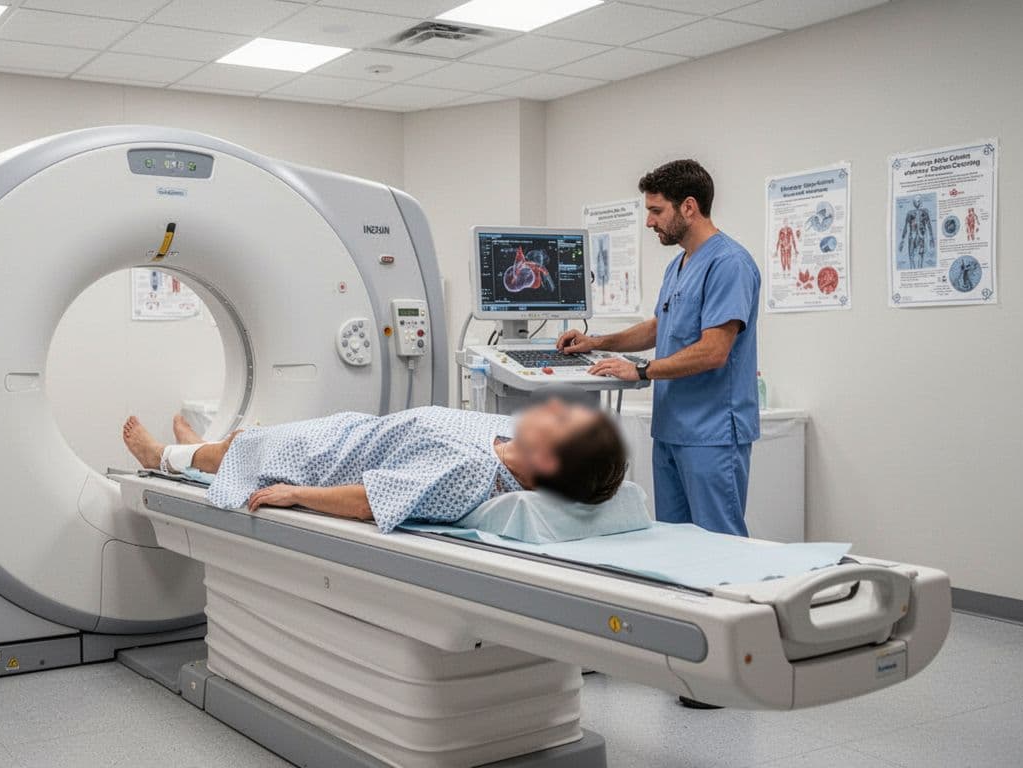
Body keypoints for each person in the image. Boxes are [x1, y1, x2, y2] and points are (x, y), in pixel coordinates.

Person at [559, 159, 759, 711]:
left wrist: (642, 371)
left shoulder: (729, 263)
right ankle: (687, 662)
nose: (649, 222)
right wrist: (598, 343)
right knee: (677, 550)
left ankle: (725, 676)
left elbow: (714, 350)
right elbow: (660, 326)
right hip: (674, 429)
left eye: (656, 210)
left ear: (688, 207)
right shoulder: (681, 265)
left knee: (719, 551)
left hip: (713, 430)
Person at [120, 401, 627, 533]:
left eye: (562, 421)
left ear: (548, 459)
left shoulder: (469, 471)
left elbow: (370, 500)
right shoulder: (510, 434)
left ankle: (163, 456)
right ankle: (202, 450)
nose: (554, 409)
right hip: (356, 431)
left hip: (331, 461)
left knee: (249, 447)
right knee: (247, 442)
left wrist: (296, 495)